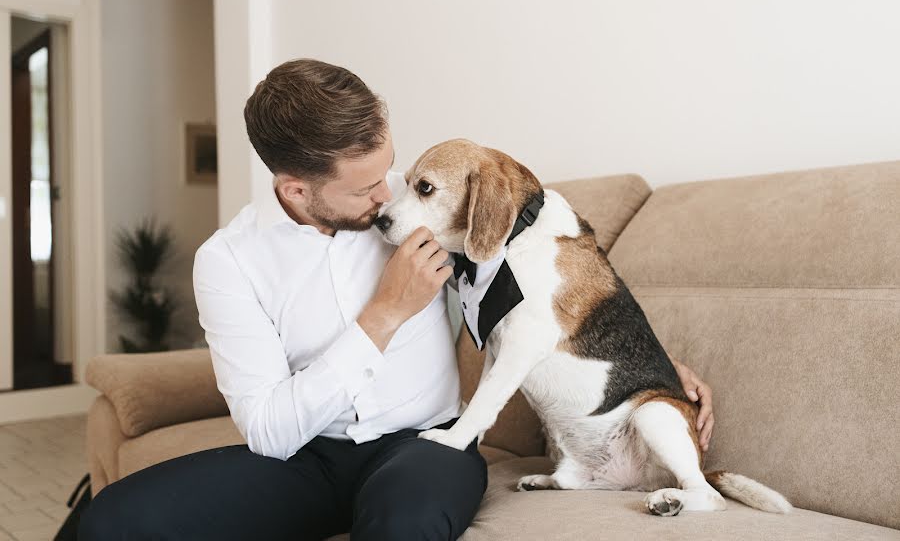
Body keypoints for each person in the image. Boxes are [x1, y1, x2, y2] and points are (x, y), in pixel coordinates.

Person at [79, 59, 714, 540]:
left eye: (390, 171)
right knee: (113, 520)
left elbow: (547, 294)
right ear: (296, 190)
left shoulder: (429, 211)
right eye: (364, 190)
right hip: (304, 455)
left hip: (427, 444)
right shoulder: (229, 261)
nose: (389, 200)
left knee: (400, 523)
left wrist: (648, 372)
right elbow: (269, 433)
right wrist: (383, 314)